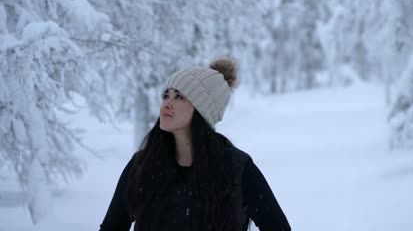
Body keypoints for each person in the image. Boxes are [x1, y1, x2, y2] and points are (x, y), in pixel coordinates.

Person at [99, 57, 291, 231]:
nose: (166, 103)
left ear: (202, 110)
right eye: (166, 95)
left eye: (179, 97)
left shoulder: (237, 167)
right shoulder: (142, 165)